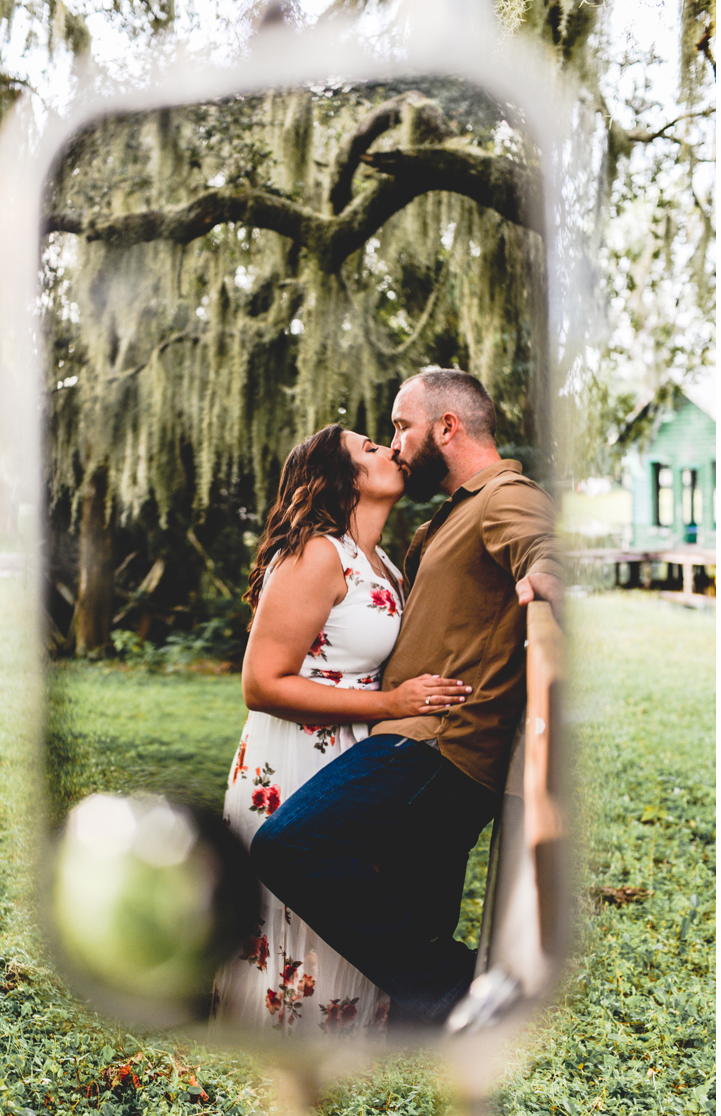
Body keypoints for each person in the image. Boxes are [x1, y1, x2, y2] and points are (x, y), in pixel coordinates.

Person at [250, 368, 562, 1028]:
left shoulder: (502, 495)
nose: (394, 445)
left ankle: (459, 984)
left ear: (445, 428)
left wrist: (547, 577)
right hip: (411, 746)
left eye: (400, 427)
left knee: (289, 847)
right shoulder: (435, 526)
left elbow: (540, 542)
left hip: (434, 747)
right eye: (383, 435)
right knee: (409, 934)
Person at [210, 424, 470, 1034]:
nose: (389, 449)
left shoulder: (383, 563)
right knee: (293, 923)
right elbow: (262, 684)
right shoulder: (316, 552)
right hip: (298, 755)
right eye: (369, 449)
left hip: (357, 759)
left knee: (347, 913)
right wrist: (392, 704)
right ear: (341, 477)